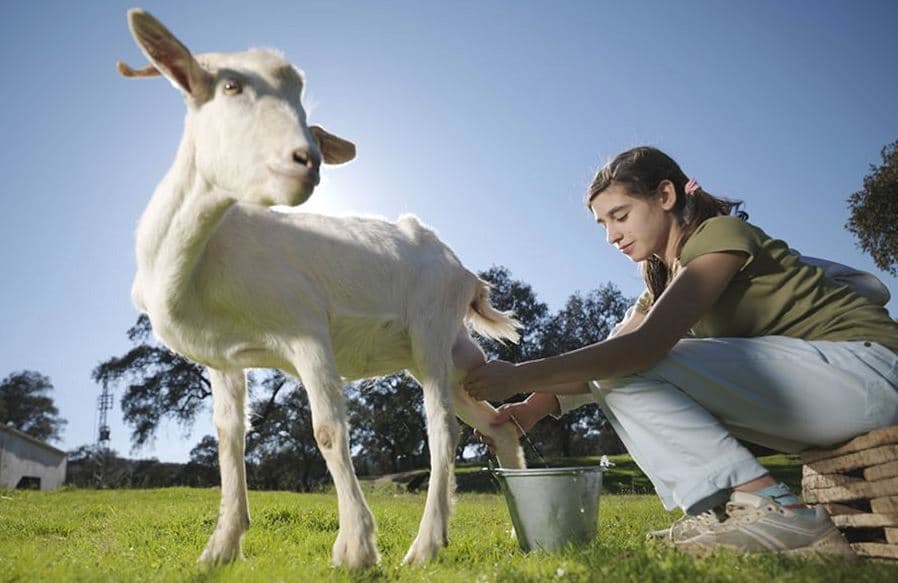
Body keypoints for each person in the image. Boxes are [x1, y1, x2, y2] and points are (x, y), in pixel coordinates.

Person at [463, 146, 898, 556]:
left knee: (635, 358)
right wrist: (533, 408)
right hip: (824, 396)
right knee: (619, 363)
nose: (612, 236)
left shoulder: (721, 235)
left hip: (871, 371)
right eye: (604, 225)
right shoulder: (662, 286)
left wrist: (518, 373)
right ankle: (729, 508)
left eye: (621, 215)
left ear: (665, 195)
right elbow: (613, 359)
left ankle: (771, 506)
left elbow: (642, 351)